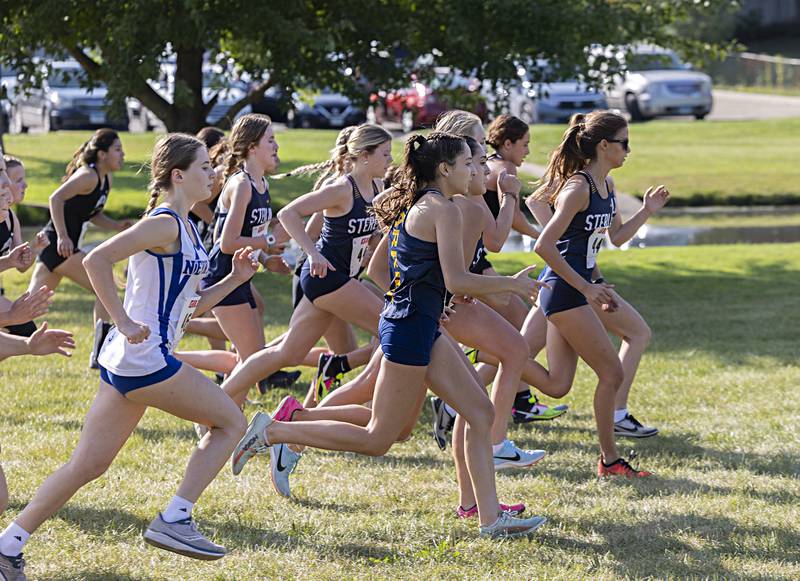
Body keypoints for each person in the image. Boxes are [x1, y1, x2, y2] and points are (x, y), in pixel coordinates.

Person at [229, 132, 548, 538]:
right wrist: (510, 286)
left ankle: (489, 518)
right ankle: (273, 432)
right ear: (445, 169)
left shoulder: (429, 203)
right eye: (469, 163)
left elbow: (393, 273)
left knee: (480, 413)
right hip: (410, 329)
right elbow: (455, 276)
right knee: (379, 437)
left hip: (418, 324)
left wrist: (438, 297)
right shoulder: (444, 210)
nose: (477, 170)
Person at [0, 134, 258, 578]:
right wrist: (120, 320)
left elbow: (191, 305)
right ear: (178, 176)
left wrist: (236, 278)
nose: (213, 174)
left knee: (90, 464)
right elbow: (98, 260)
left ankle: (7, 545)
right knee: (232, 421)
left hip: (130, 359)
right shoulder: (164, 224)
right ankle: (175, 518)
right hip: (144, 358)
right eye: (204, 167)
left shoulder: (189, 227)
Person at [533, 111, 669, 477]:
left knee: (558, 385)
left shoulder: (606, 186)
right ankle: (610, 461)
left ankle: (494, 353)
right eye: (624, 143)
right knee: (611, 373)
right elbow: (545, 247)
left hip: (584, 288)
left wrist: (646, 210)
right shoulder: (578, 188)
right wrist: (586, 288)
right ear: (604, 146)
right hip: (566, 291)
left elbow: (617, 238)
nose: (629, 150)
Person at [218, 124, 392, 408]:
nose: (389, 161)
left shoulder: (378, 188)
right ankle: (366, 406)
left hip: (339, 278)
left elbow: (367, 235)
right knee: (394, 328)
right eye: (385, 154)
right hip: (328, 277)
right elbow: (289, 213)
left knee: (288, 353)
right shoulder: (341, 189)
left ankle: (221, 399)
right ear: (364, 155)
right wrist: (312, 253)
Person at [26, 129, 133, 368]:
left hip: (60, 249)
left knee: (28, 308)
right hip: (59, 246)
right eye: (118, 149)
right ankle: (100, 353)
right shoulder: (88, 176)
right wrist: (63, 236)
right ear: (103, 154)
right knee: (103, 287)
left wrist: (116, 226)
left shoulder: (106, 179)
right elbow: (56, 199)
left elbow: (92, 213)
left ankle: (8, 330)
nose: (123, 154)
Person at [200, 114, 286, 398]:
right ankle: (215, 418)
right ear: (252, 147)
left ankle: (224, 421)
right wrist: (270, 240)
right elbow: (227, 242)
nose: (276, 146)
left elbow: (250, 236)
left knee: (248, 361)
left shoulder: (262, 184)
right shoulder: (242, 185)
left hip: (241, 277)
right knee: (252, 362)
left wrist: (266, 258)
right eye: (270, 140)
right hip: (224, 276)